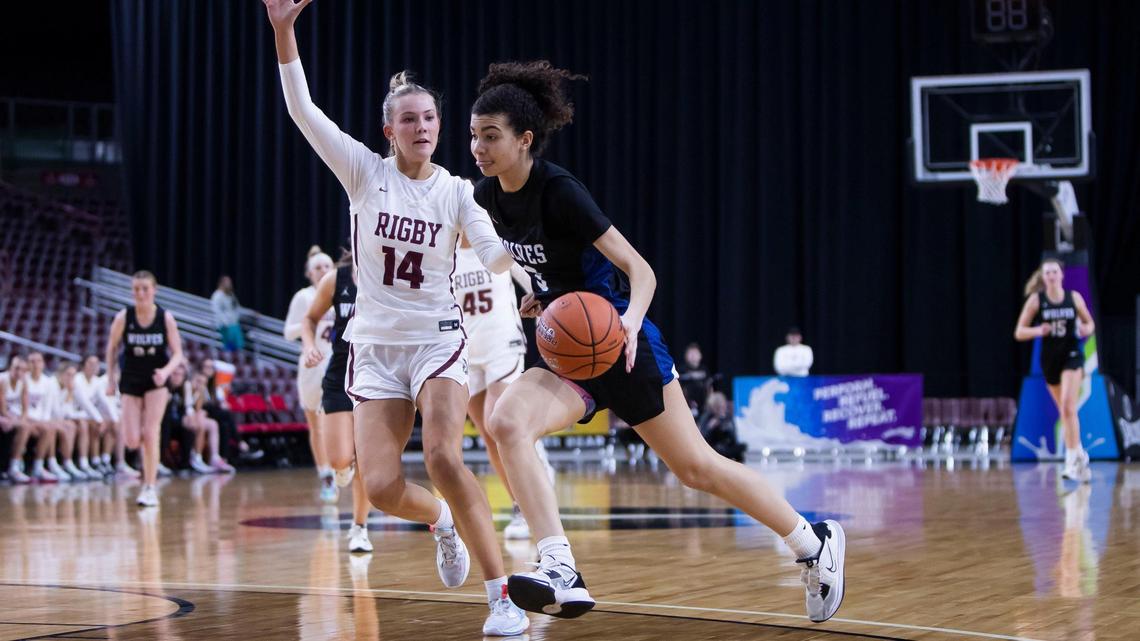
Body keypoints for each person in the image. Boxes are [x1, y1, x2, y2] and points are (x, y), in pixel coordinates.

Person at [470, 61, 846, 623]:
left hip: (620, 341)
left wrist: (628, 322)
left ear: (525, 140)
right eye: (474, 135)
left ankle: (813, 544)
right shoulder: (489, 196)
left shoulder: (561, 191)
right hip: (571, 351)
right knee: (504, 421)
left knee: (697, 467)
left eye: (490, 136)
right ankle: (559, 566)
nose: (478, 147)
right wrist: (546, 297)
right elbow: (554, 265)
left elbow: (640, 270)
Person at [265, 0, 528, 634]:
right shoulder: (362, 172)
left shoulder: (458, 190)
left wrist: (514, 267)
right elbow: (302, 111)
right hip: (375, 347)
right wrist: (283, 33)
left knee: (441, 455)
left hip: (437, 341)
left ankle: (502, 600)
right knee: (379, 487)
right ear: (389, 131)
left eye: (431, 117)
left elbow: (490, 247)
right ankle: (441, 523)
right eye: (409, 119)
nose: (422, 126)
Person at [454, 232, 556, 541]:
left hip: (502, 343)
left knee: (494, 421)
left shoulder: (494, 247)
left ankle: (526, 509)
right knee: (488, 435)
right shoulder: (446, 253)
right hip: (467, 351)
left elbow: (531, 279)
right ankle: (520, 497)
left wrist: (547, 309)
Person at [300, 250, 374, 554]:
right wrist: (308, 346)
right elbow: (309, 318)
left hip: (375, 373)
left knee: (366, 457)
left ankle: (359, 528)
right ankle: (345, 466)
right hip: (340, 371)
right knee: (340, 460)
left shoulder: (390, 274)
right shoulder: (336, 279)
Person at [104, 270, 184, 507]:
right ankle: (144, 472)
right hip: (130, 377)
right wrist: (110, 378)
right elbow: (111, 348)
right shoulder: (124, 317)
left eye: (145, 289)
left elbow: (178, 353)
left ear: (154, 290)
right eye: (136, 289)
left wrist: (166, 372)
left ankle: (149, 487)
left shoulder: (165, 317)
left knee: (151, 433)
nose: (140, 293)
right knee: (131, 440)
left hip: (156, 379)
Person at [1014, 258, 1095, 482]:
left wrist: (1082, 328)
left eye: (1054, 271)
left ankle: (1071, 460)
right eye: (1047, 272)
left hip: (1072, 356)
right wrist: (1039, 330)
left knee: (1069, 406)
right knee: (1065, 412)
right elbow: (1019, 332)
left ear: (1061, 275)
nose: (1051, 276)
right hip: (1050, 360)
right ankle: (1080, 455)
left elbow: (1090, 324)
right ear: (1043, 277)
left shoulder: (1073, 298)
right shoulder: (1036, 301)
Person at [285, 245, 338, 503]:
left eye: (327, 266)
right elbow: (288, 332)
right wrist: (311, 322)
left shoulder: (341, 293)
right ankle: (325, 475)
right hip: (311, 365)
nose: (323, 271)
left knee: (340, 419)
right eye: (318, 267)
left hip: (336, 362)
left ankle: (343, 465)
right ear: (309, 273)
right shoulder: (303, 297)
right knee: (315, 425)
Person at [23, 352, 67, 482]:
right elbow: (21, 407)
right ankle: (45, 464)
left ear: (43, 364)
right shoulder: (23, 380)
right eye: (32, 361)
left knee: (50, 426)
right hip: (25, 419)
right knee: (49, 427)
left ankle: (42, 465)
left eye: (38, 361)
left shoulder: (47, 382)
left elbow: (47, 408)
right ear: (27, 364)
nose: (35, 365)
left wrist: (43, 422)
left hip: (40, 421)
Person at [1, 356, 33, 483]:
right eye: (16, 368)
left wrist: (22, 419)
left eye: (23, 370)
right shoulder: (2, 380)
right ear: (10, 368)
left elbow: (25, 409)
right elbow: (2, 409)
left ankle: (15, 465)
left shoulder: (23, 382)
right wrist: (15, 420)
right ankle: (14, 465)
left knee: (26, 426)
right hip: (3, 414)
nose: (19, 372)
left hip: (9, 415)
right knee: (16, 425)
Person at [211, 275, 244, 362]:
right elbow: (216, 311)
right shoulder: (217, 295)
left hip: (234, 324)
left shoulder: (231, 295)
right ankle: (228, 356)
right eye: (227, 283)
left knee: (238, 339)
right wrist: (225, 322)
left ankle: (237, 358)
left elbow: (237, 308)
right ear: (221, 284)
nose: (229, 285)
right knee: (230, 336)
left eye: (230, 283)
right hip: (224, 325)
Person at [677, 342, 711, 413]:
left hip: (703, 399)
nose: (693, 356)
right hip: (687, 399)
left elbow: (709, 385)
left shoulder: (704, 369)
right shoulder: (682, 369)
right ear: (686, 356)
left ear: (700, 355)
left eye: (695, 353)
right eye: (690, 353)